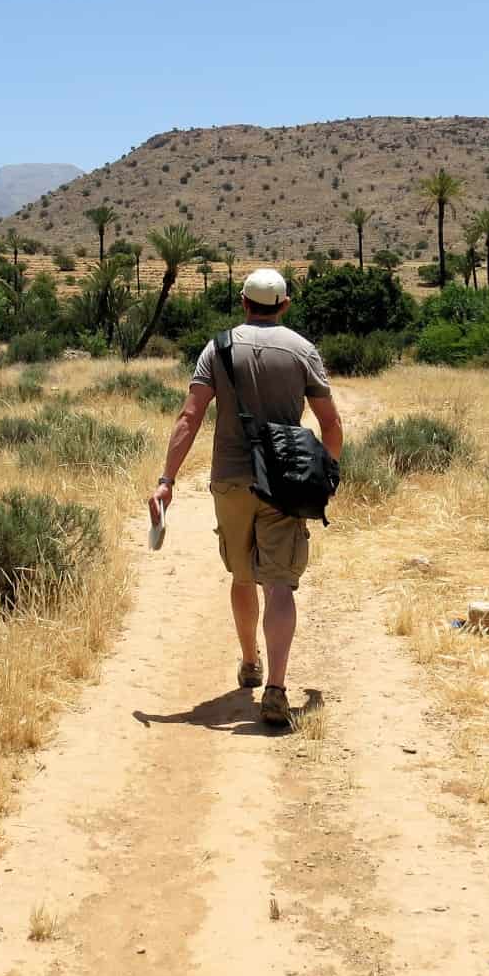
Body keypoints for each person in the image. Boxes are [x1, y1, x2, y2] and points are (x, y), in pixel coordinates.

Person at [151, 267, 343, 727]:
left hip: (231, 478)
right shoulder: (302, 350)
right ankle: (276, 688)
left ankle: (249, 661)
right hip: (284, 481)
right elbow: (331, 424)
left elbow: (189, 417)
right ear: (284, 305)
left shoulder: (217, 348)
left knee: (241, 574)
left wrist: (167, 479)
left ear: (243, 303)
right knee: (279, 582)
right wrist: (325, 474)